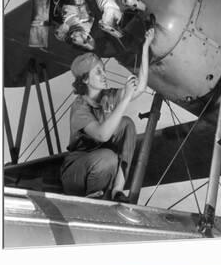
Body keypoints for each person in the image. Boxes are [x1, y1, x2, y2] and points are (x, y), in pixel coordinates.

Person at [60, 28, 155, 201]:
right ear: (86, 80)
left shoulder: (108, 95)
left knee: (126, 124)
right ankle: (94, 201)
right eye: (98, 72)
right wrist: (126, 97)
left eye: (103, 70)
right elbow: (102, 135)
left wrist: (145, 48)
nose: (105, 75)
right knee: (108, 157)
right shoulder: (80, 107)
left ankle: (117, 190)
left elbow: (140, 87)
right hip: (76, 173)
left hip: (103, 166)